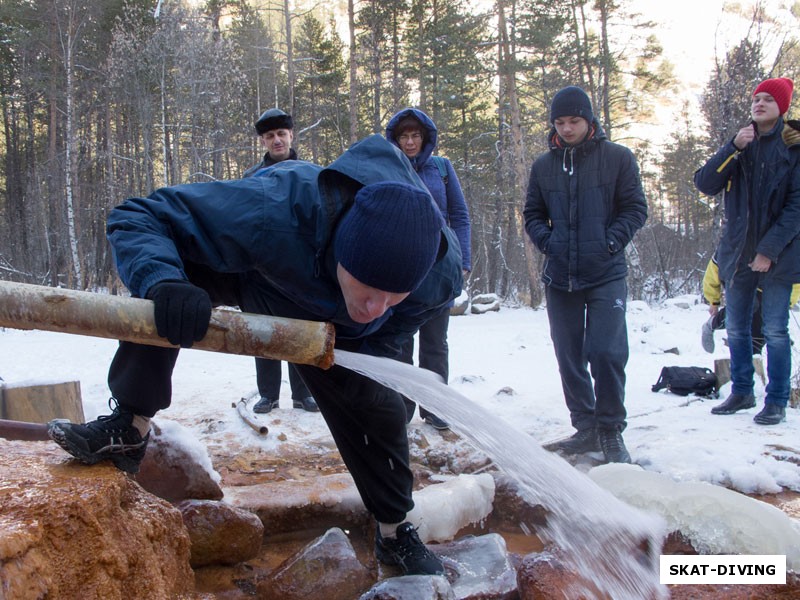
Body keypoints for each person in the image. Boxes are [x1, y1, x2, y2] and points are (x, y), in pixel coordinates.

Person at [48, 134, 464, 576]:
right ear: (346, 248)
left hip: (334, 328)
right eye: (369, 288)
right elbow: (138, 215)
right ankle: (130, 424)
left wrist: (371, 339)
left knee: (376, 405)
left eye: (392, 295)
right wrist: (163, 282)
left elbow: (399, 320)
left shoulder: (438, 273)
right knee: (166, 284)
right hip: (258, 273)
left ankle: (394, 530)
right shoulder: (274, 208)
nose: (375, 307)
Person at [524, 86, 647, 464]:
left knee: (607, 352)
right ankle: (586, 427)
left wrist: (610, 242)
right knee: (570, 354)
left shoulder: (618, 159)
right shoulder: (544, 165)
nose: (567, 129)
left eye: (574, 121)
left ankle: (610, 430)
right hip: (560, 274)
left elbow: (635, 209)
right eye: (559, 123)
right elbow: (531, 213)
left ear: (589, 120)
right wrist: (549, 242)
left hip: (606, 271)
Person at [694, 77, 800, 425]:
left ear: (782, 106)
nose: (759, 103)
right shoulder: (742, 145)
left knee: (774, 330)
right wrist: (732, 146)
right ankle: (741, 391)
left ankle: (777, 400)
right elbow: (705, 183)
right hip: (738, 254)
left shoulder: (793, 148)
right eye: (756, 98)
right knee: (737, 328)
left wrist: (768, 250)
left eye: (769, 99)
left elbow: (796, 208)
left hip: (780, 257)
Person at [385, 108, 472, 431]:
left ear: (425, 138)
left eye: (415, 136)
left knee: (436, 341)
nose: (409, 142)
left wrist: (462, 261)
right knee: (401, 342)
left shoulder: (442, 169)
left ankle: (436, 407)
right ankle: (402, 406)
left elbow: (460, 217)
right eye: (404, 136)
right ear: (395, 139)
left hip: (439, 266)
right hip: (402, 269)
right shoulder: (388, 167)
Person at [243, 108, 317, 414]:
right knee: (264, 330)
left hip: (301, 268)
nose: (277, 140)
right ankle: (268, 394)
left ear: (291, 135)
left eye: (281, 134)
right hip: (262, 269)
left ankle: (303, 394)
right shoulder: (250, 177)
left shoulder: (311, 173)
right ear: (263, 141)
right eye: (270, 136)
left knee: (300, 331)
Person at [700, 251, 800, 354]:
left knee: (757, 338)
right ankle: (711, 324)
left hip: (768, 290)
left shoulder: (787, 247)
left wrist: (787, 303)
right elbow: (713, 272)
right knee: (750, 304)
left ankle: (757, 355)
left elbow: (795, 281)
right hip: (739, 283)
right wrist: (713, 301)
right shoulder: (734, 242)